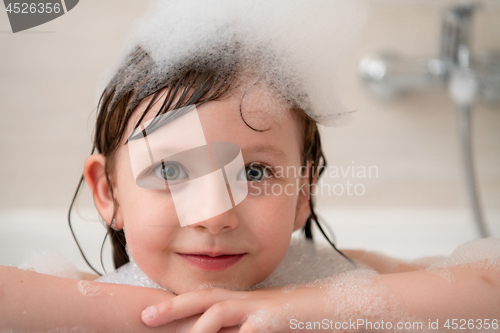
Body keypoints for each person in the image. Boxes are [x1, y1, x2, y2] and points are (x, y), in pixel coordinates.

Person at [1, 0, 499, 332]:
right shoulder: (89, 303)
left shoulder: (335, 280)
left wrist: (291, 310)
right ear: (108, 193)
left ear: (303, 193)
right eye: (170, 172)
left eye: (254, 173)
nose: (214, 215)